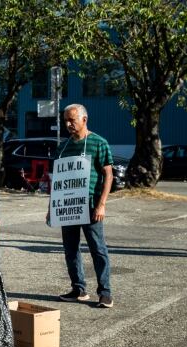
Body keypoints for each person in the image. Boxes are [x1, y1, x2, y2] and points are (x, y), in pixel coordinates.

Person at [53, 103, 114, 309]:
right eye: (66, 121)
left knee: (98, 249)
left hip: (90, 205)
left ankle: (105, 292)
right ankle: (78, 289)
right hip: (67, 206)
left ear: (84, 120)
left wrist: (101, 204)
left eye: (72, 120)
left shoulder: (99, 143)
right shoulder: (63, 147)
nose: (68, 124)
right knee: (70, 249)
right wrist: (52, 207)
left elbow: (108, 175)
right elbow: (59, 179)